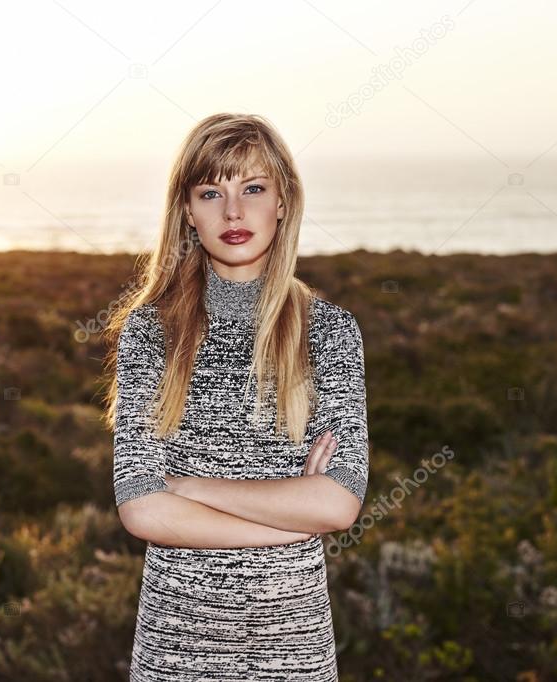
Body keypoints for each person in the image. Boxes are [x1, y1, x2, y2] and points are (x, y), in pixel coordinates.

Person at [101, 112, 369, 680]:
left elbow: (339, 502)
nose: (233, 211)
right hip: (174, 654)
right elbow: (141, 507)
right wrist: (294, 517)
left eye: (252, 187)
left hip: (292, 654)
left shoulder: (330, 333)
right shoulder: (150, 334)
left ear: (283, 202)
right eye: (210, 192)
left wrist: (190, 487)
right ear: (187, 214)